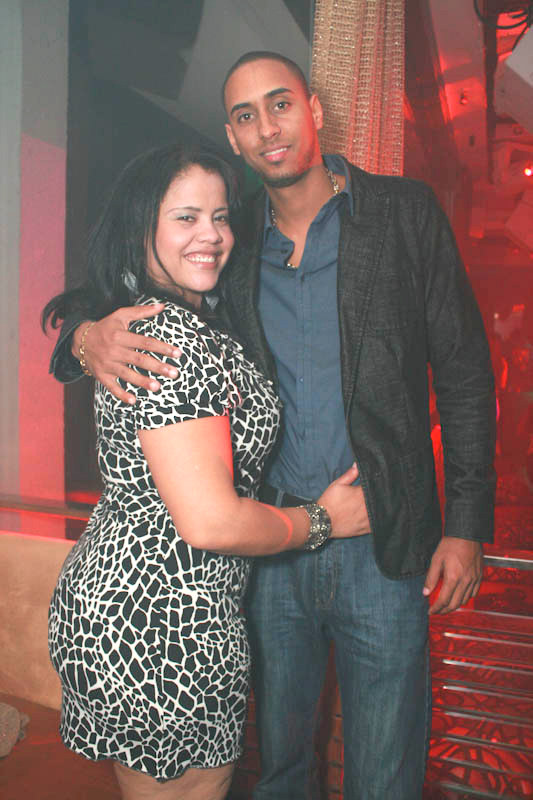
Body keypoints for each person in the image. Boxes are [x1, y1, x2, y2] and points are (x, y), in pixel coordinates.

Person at [50, 53, 496, 800]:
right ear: (233, 136)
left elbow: (464, 373)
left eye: (280, 103)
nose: (267, 127)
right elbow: (121, 289)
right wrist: (86, 335)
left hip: (381, 539)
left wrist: (467, 524)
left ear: (314, 110)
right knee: (278, 765)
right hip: (269, 551)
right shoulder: (231, 239)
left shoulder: (403, 214)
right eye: (245, 115)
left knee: (385, 771)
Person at [43, 142, 362, 800]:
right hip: (163, 621)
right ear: (141, 226)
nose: (211, 235)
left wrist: (84, 333)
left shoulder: (181, 314)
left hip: (140, 603)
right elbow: (211, 522)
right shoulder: (170, 338)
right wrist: (322, 521)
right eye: (186, 217)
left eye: (220, 216)